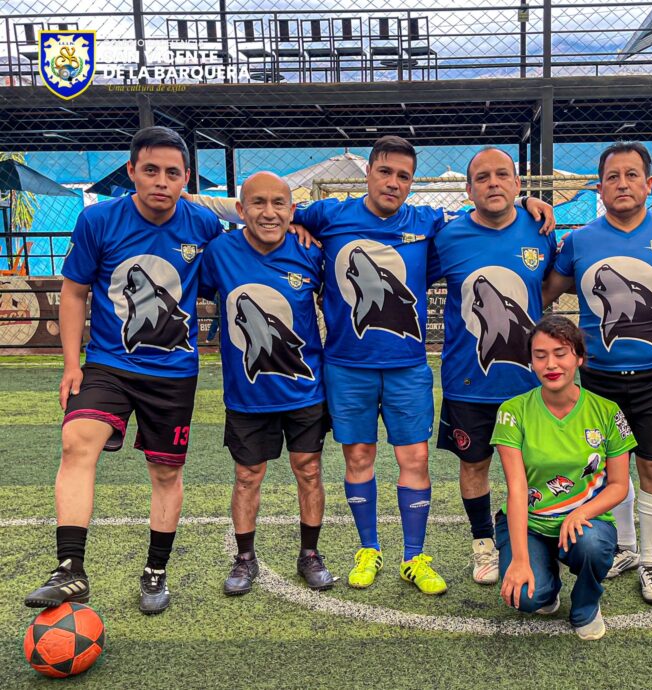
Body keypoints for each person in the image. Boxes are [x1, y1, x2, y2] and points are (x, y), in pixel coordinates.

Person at [191, 136, 554, 596]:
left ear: (412, 182)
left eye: (404, 176)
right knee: (358, 457)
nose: (393, 183)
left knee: (414, 459)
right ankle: (368, 549)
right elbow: (271, 210)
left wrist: (525, 203)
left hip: (408, 366)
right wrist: (208, 203)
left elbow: (485, 218)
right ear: (369, 173)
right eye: (385, 172)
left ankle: (414, 556)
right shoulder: (328, 215)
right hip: (347, 366)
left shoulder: (428, 222)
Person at [24, 127, 223, 614]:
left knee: (165, 471)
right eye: (150, 170)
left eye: (172, 173)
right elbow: (75, 292)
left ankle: (155, 572)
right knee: (77, 441)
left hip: (173, 372)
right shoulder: (98, 220)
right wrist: (71, 365)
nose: (161, 181)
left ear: (186, 178)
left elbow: (237, 264)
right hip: (109, 364)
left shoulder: (203, 225)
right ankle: (70, 569)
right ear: (132, 171)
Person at [543, 141, 652, 606]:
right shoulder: (580, 240)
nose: (622, 184)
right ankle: (626, 548)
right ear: (600, 186)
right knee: (609, 466)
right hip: (599, 376)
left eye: (632, 175)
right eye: (613, 176)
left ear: (649, 184)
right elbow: (544, 293)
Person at [198, 172, 334, 596]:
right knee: (247, 475)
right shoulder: (220, 252)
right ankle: (244, 558)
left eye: (279, 203)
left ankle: (310, 554)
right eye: (258, 203)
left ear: (293, 210)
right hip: (247, 395)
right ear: (241, 210)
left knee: (308, 470)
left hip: (304, 390)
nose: (269, 212)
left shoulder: (311, 252)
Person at [427, 147, 558, 585]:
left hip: (531, 382)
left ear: (518, 184)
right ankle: (483, 543)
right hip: (469, 381)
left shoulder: (541, 229)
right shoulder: (448, 237)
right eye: (482, 178)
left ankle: (537, 540)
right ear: (468, 190)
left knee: (539, 466)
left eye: (503, 175)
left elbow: (551, 286)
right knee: (474, 465)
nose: (493, 183)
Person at [493, 315, 635, 641]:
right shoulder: (512, 412)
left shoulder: (607, 411)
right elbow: (517, 490)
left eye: (560, 353)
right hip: (531, 521)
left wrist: (582, 512)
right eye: (540, 355)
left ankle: (586, 605)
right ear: (531, 362)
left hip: (584, 523)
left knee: (593, 545)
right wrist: (520, 561)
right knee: (526, 597)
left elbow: (618, 485)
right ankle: (547, 579)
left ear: (579, 358)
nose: (551, 364)